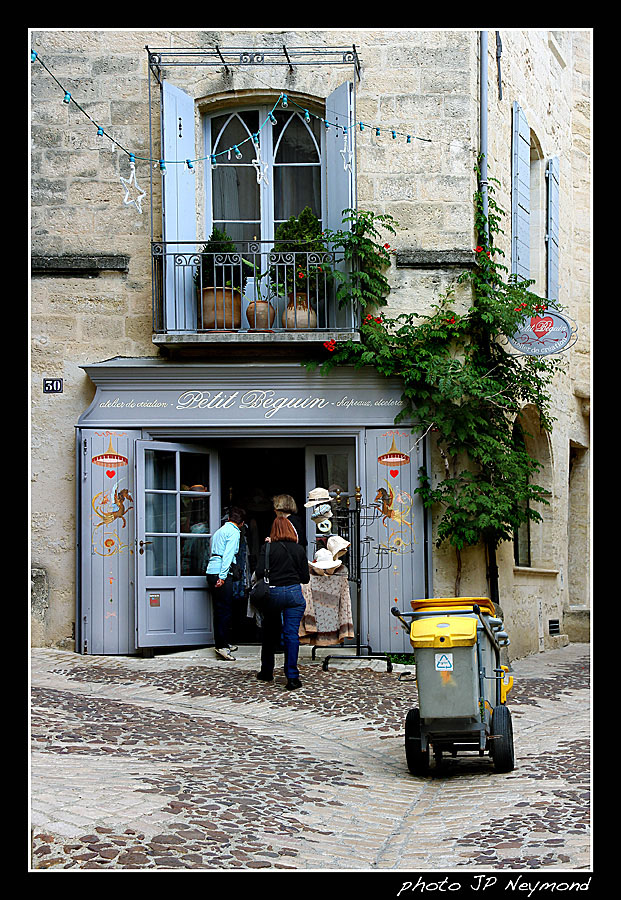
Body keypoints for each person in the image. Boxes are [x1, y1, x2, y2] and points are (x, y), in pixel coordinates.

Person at [254, 516, 310, 689]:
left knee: (269, 632)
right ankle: (292, 677)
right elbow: (305, 578)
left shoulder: (267, 548)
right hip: (293, 593)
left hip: (273, 593)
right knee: (291, 634)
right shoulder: (299, 549)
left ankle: (266, 671)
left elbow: (259, 572)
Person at [206, 507, 246, 660]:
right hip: (221, 572)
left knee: (219, 610)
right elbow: (228, 555)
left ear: (229, 519)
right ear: (241, 523)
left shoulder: (219, 531)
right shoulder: (234, 532)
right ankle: (222, 646)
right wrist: (223, 577)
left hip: (211, 570)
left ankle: (223, 642)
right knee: (224, 610)